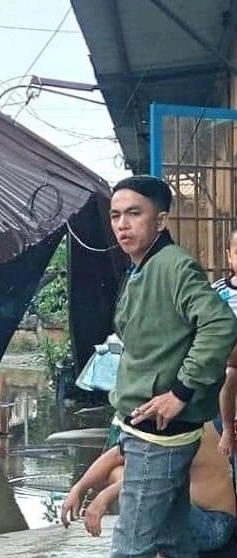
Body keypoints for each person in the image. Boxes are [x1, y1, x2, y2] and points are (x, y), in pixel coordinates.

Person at [105, 175, 237, 558]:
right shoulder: (143, 266)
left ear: (161, 221)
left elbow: (220, 324)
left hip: (159, 433)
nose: (122, 225)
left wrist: (180, 392)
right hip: (148, 425)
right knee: (170, 538)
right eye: (115, 215)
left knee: (131, 545)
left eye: (134, 214)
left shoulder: (174, 267)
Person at [61, 420, 236, 551]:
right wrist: (79, 488)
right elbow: (116, 454)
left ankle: (154, 550)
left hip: (214, 522)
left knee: (144, 502)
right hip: (187, 508)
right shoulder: (156, 418)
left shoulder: (185, 423)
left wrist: (104, 497)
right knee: (118, 471)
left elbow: (152, 481)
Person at [213, 232, 237, 456]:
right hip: (230, 355)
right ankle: (229, 430)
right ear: (229, 256)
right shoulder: (220, 289)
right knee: (229, 374)